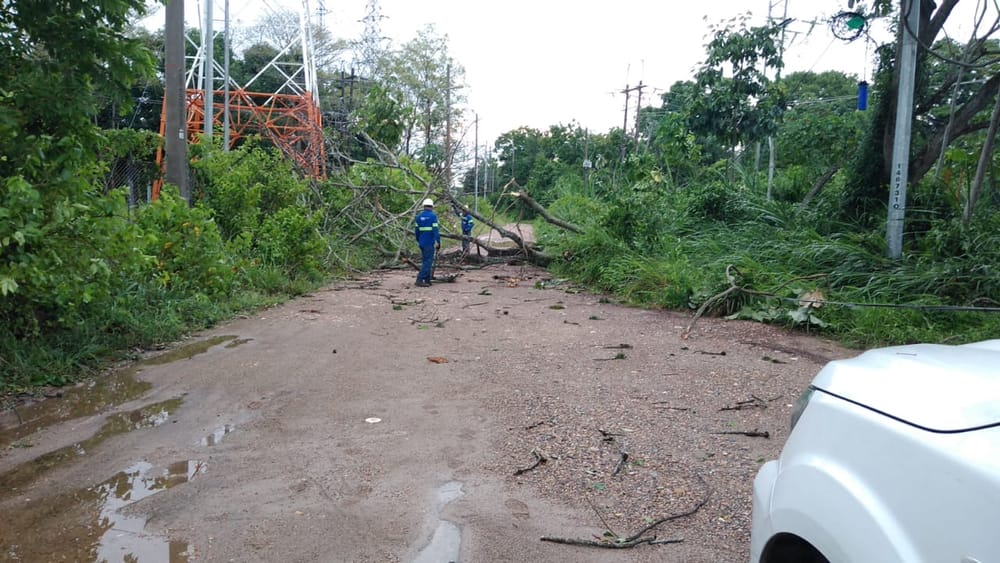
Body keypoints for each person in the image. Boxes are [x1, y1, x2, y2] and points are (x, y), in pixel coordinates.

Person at [413, 198, 440, 287]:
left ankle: (427, 280)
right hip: (429, 243)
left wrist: (418, 240)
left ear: (423, 206)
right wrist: (438, 242)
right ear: (432, 207)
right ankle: (419, 279)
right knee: (428, 262)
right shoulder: (433, 217)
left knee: (425, 261)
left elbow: (416, 232)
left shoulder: (418, 217)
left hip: (422, 243)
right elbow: (435, 230)